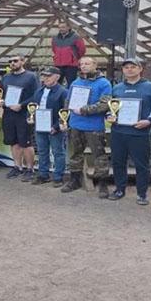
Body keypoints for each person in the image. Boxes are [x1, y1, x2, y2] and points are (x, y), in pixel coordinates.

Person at [106, 58, 151, 205]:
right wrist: (109, 116)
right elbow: (109, 108)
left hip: (139, 133)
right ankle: (119, 189)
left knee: (141, 165)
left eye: (133, 67)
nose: (129, 70)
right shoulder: (117, 88)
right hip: (118, 132)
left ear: (140, 69)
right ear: (123, 70)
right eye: (126, 67)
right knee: (118, 162)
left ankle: (142, 194)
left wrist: (149, 121)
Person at [63, 57, 112, 197]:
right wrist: (65, 117)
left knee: (99, 156)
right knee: (75, 154)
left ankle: (102, 183)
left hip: (94, 126)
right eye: (81, 64)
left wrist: (85, 110)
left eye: (87, 63)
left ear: (95, 65)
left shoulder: (104, 83)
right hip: (75, 124)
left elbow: (105, 104)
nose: (83, 66)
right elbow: (68, 101)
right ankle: (75, 180)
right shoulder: (75, 82)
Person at [0, 54, 40, 181]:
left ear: (22, 62)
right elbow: (2, 94)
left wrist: (22, 105)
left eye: (15, 61)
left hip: (24, 114)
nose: (12, 63)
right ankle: (17, 167)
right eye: (10, 61)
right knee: (13, 142)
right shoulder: (6, 77)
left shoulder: (31, 76)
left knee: (26, 143)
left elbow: (36, 95)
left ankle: (30, 169)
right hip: (8, 113)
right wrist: (2, 101)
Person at [28, 67, 68, 187]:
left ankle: (58, 176)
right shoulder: (38, 91)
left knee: (58, 152)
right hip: (40, 127)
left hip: (55, 128)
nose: (45, 78)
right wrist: (30, 117)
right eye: (44, 76)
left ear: (57, 77)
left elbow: (65, 112)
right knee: (42, 151)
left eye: (48, 76)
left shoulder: (63, 92)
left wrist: (56, 127)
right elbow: (32, 106)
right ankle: (43, 174)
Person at [51, 17, 86, 85]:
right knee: (56, 84)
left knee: (71, 84)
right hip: (58, 65)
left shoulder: (76, 37)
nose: (61, 29)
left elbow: (82, 50)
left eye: (63, 27)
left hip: (71, 65)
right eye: (59, 27)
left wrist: (74, 57)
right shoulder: (55, 38)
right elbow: (54, 49)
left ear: (68, 27)